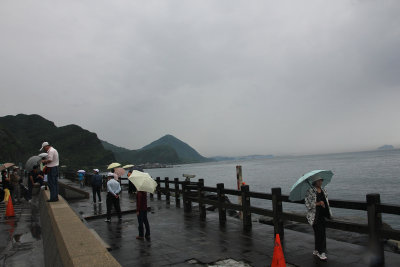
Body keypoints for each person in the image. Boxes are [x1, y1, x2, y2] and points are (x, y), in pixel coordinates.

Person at [305, 176, 332, 261]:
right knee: (320, 233)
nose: (320, 182)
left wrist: (324, 204)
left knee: (320, 233)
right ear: (315, 182)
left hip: (322, 215)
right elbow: (308, 205)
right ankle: (321, 252)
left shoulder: (323, 190)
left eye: (321, 180)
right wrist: (317, 203)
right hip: (314, 216)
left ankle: (317, 250)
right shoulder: (310, 191)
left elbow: (326, 201)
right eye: (319, 181)